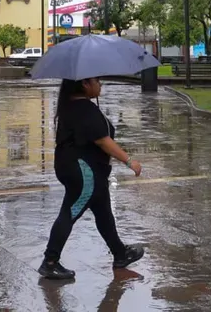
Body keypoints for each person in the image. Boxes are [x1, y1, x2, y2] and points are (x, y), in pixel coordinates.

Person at [39, 76, 145, 281]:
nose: (100, 84)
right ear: (85, 84)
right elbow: (103, 141)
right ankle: (50, 262)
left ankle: (120, 254)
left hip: (85, 170)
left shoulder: (72, 106)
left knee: (103, 211)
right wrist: (129, 161)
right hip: (85, 172)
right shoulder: (84, 109)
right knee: (70, 212)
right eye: (96, 81)